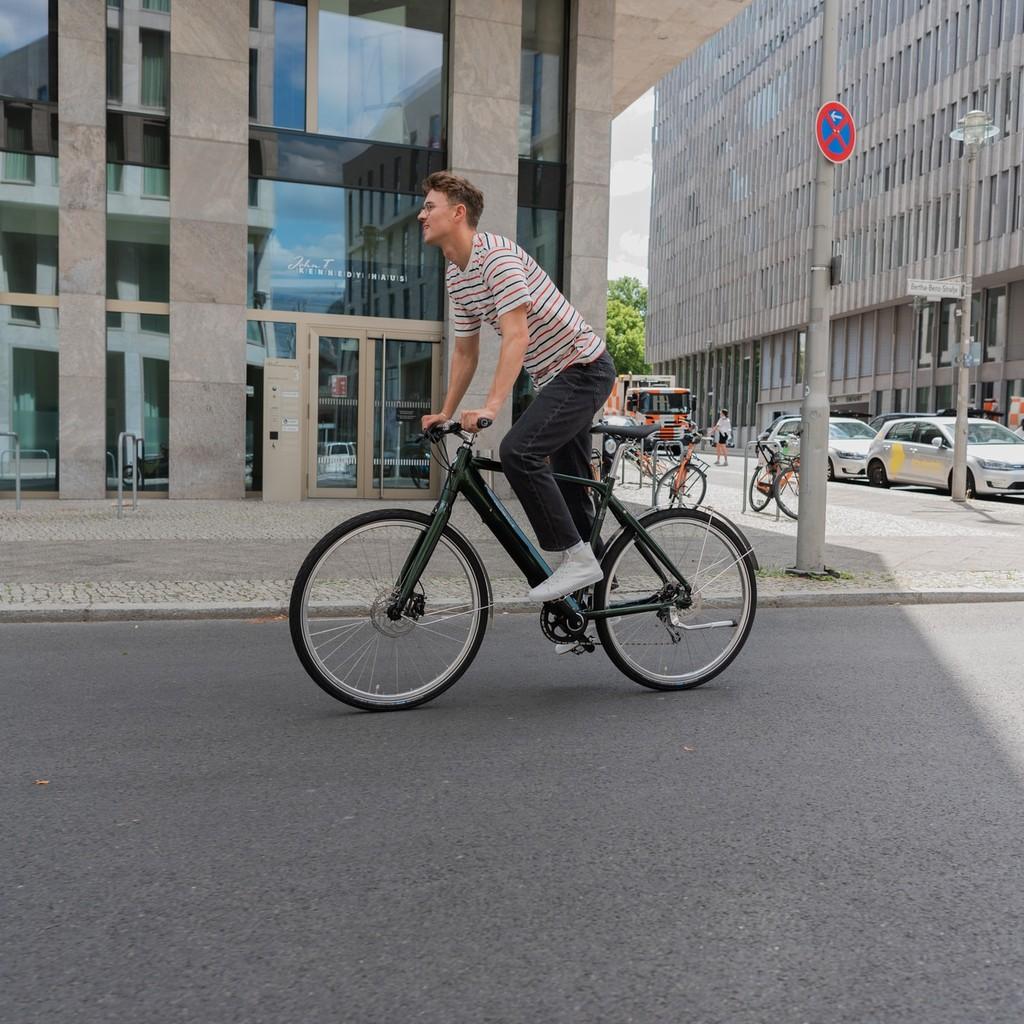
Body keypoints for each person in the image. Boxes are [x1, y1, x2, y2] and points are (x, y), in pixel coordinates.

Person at [418, 171, 616, 603]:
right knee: (569, 485)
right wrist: (447, 412)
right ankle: (597, 588)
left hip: (584, 368)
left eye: (430, 206)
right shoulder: (456, 275)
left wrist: (491, 406)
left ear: (458, 212)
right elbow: (465, 352)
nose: (422, 215)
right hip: (557, 379)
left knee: (518, 452)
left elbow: (517, 335)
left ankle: (578, 561)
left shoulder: (497, 257)